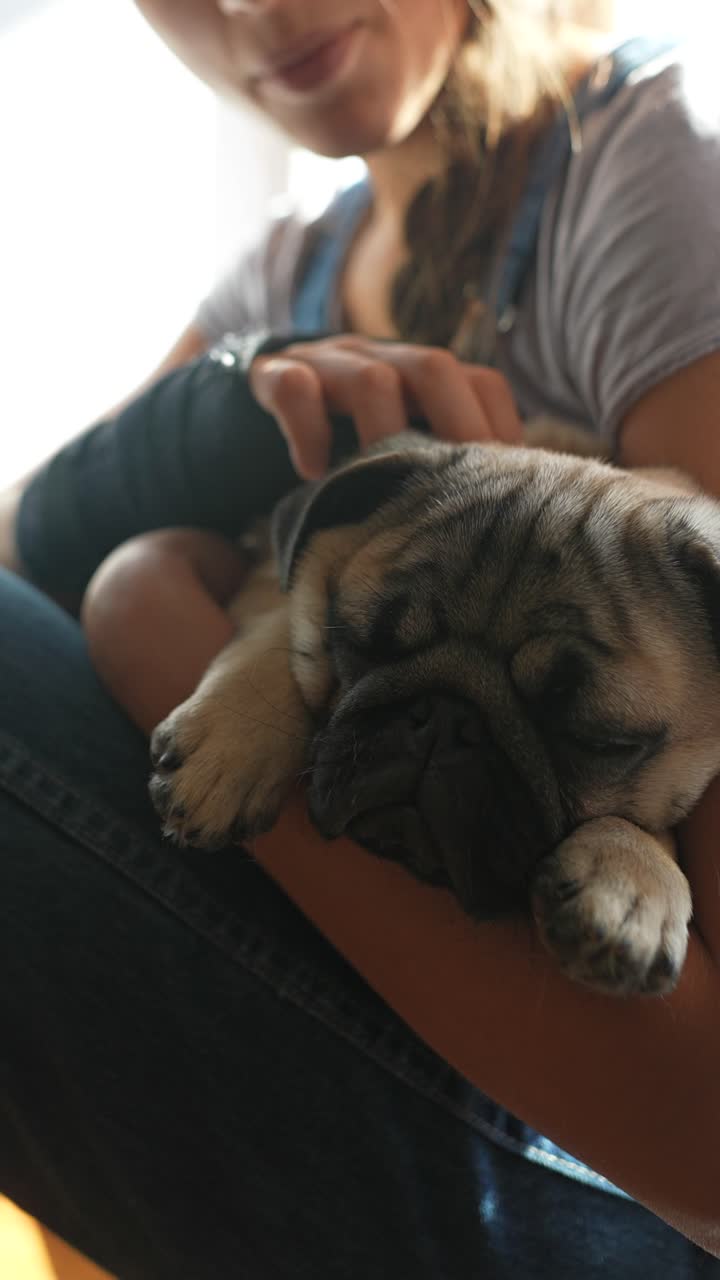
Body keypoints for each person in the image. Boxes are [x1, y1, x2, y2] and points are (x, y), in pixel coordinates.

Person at [1, 1, 720, 1275]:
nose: (254, 9)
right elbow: (26, 535)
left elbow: (705, 1131)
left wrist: (152, 611)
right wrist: (202, 417)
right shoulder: (282, 274)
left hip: (605, 1167)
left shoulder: (652, 170)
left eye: (583, 717)